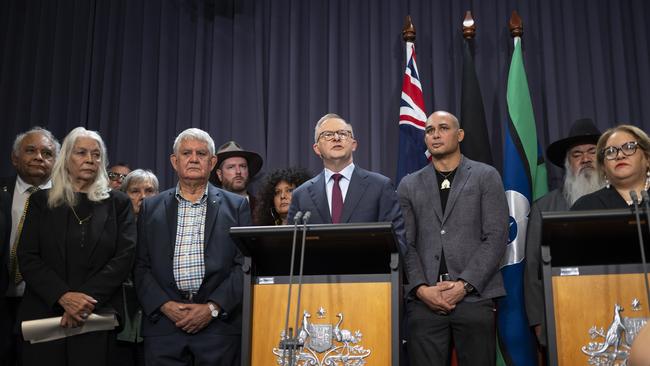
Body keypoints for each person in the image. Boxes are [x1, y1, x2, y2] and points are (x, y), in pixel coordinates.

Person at [397, 110, 509, 366]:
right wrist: (421, 289)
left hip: (474, 297)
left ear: (459, 135)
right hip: (425, 301)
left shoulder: (485, 175)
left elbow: (496, 236)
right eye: (429, 130)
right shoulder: (408, 184)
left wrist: (464, 285)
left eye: (443, 128)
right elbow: (406, 244)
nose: (435, 134)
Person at [17, 127, 136, 366]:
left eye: (96, 154)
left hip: (96, 315)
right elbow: (28, 257)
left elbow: (124, 256)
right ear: (66, 157)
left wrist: (84, 301)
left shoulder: (118, 203)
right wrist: (62, 296)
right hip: (46, 314)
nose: (90, 160)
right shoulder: (40, 201)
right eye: (81, 153)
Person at [134, 128, 250, 365]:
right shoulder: (151, 208)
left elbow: (244, 265)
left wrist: (212, 308)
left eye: (201, 153)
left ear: (212, 162)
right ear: (175, 162)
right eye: (186, 153)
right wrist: (164, 305)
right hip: (164, 327)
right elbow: (139, 266)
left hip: (218, 328)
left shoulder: (236, 206)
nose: (194, 159)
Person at [524, 118, 602, 347]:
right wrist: (538, 320)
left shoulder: (620, 199)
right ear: (568, 162)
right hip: (561, 310)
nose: (585, 159)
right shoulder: (544, 207)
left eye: (591, 152)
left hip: (614, 300)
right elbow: (532, 269)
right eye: (577, 154)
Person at [287, 113, 406, 248]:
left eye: (343, 133)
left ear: (353, 144)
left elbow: (398, 242)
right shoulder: (301, 195)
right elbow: (291, 246)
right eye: (327, 134)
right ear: (317, 148)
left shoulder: (380, 186)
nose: (336, 138)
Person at [0, 126, 60, 366]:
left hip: (44, 302)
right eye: (31, 151)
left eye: (47, 153)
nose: (39, 157)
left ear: (56, 161)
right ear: (15, 158)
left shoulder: (68, 200)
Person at [115, 169, 160, 366]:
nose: (143, 197)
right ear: (124, 195)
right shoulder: (113, 229)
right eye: (135, 191)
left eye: (149, 191)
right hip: (120, 321)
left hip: (154, 323)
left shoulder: (166, 231)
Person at [572, 124, 650, 210]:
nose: (620, 155)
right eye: (610, 151)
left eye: (629, 147)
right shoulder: (586, 206)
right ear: (603, 166)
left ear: (647, 158)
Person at [210, 140, 263, 212]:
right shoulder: (209, 208)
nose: (238, 172)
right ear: (219, 174)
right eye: (231, 167)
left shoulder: (263, 207)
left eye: (242, 166)